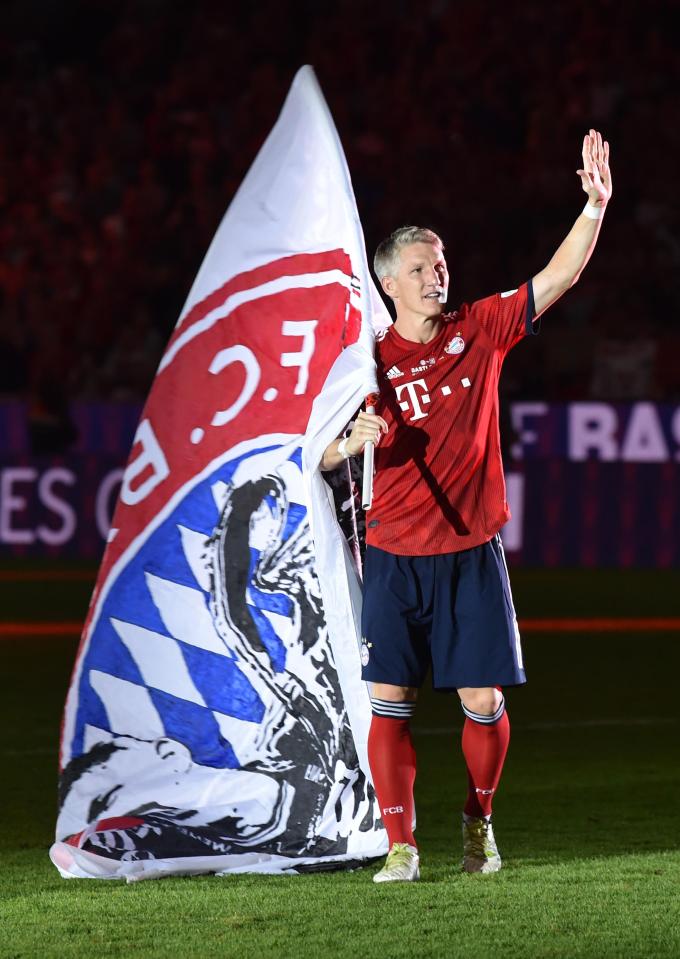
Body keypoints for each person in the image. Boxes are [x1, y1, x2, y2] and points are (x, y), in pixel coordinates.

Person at [321, 129, 612, 882]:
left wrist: (593, 206)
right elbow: (314, 455)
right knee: (389, 700)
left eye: (441, 263)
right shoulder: (362, 363)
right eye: (420, 267)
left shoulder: (477, 332)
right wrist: (354, 439)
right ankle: (400, 845)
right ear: (389, 282)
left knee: (480, 698)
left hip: (469, 550)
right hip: (389, 554)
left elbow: (556, 277)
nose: (435, 275)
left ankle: (478, 824)